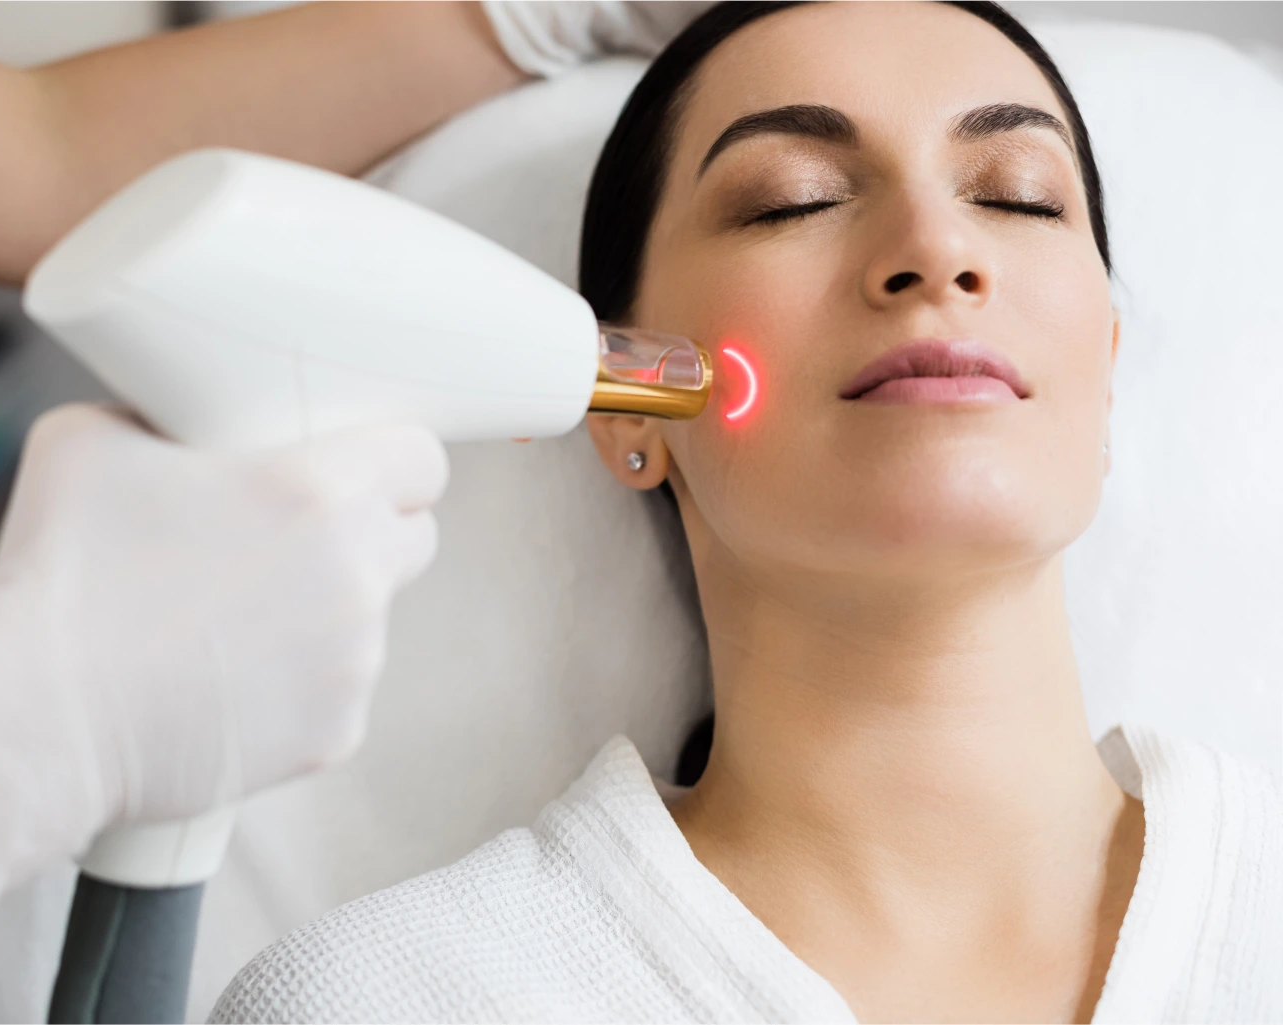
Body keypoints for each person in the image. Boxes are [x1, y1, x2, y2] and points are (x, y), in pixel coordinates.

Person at [211, 3, 1283, 1022]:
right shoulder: (385, 999)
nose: (936, 249)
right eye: (795, 199)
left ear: (1103, 371)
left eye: (1016, 194)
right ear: (627, 398)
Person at [0, 1, 708, 1020]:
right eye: (794, 200)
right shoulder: (391, 986)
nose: (904, 259)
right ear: (629, 437)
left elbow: (40, 153)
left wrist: (521, 16)